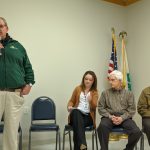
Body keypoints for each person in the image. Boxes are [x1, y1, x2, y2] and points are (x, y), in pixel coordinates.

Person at [0, 17, 35, 150]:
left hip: (14, 94)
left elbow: (28, 68)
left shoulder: (18, 47)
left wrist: (29, 84)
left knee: (11, 132)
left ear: (6, 28)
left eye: (1, 26)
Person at [97, 70, 141, 150]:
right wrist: (110, 116)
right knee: (102, 127)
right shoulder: (105, 93)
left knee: (136, 132)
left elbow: (132, 110)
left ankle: (128, 149)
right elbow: (100, 108)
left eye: (113, 80)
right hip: (109, 118)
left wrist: (122, 118)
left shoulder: (129, 94)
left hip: (125, 118)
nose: (110, 82)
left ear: (120, 81)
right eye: (110, 80)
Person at [67, 70, 98, 150]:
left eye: (90, 80)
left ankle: (81, 145)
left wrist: (91, 100)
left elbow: (94, 107)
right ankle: (83, 145)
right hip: (77, 114)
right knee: (76, 112)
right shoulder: (78, 89)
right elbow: (71, 101)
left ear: (93, 81)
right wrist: (70, 106)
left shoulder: (95, 92)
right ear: (83, 79)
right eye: (86, 79)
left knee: (77, 125)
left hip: (88, 117)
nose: (87, 81)